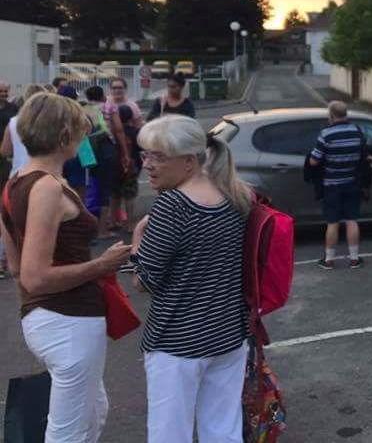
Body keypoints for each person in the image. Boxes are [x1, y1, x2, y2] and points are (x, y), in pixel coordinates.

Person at [0, 93, 131, 442]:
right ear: (63, 137)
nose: (83, 138)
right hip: (68, 320)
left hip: (47, 318)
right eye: (79, 132)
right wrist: (102, 264)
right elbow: (34, 275)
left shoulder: (13, 185)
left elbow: (16, 269)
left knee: (93, 412)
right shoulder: (47, 188)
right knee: (67, 432)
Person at [130, 114, 251, 442]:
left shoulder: (172, 206)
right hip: (229, 336)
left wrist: (137, 245)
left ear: (188, 162)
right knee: (223, 429)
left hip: (177, 343)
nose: (147, 165)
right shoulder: (233, 195)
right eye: (145, 155)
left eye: (157, 157)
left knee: (170, 434)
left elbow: (147, 281)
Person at [310, 101, 365, 269]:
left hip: (332, 185)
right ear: (345, 113)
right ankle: (354, 259)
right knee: (351, 220)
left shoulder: (326, 134)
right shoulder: (356, 131)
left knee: (332, 222)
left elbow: (314, 161)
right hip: (352, 182)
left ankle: (328, 260)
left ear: (331, 115)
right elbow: (363, 153)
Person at [103, 77, 141, 233]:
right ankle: (120, 221)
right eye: (115, 88)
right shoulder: (107, 105)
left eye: (120, 88)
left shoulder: (132, 105)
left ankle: (117, 221)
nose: (117, 90)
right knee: (122, 192)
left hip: (122, 159)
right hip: (121, 159)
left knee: (117, 192)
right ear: (110, 89)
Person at [84, 86, 118, 238]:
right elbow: (117, 130)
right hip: (104, 151)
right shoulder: (107, 107)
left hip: (85, 151)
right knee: (105, 189)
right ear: (102, 95)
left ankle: (88, 228)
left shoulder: (82, 110)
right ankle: (102, 230)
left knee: (89, 188)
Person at [2, 84, 46, 179]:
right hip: (44, 174)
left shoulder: (14, 121)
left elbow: (5, 151)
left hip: (18, 174)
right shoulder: (51, 122)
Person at [0, 80, 17, 277]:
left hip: (7, 161)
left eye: (5, 91)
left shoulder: (13, 109)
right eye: (1, 91)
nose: (3, 94)